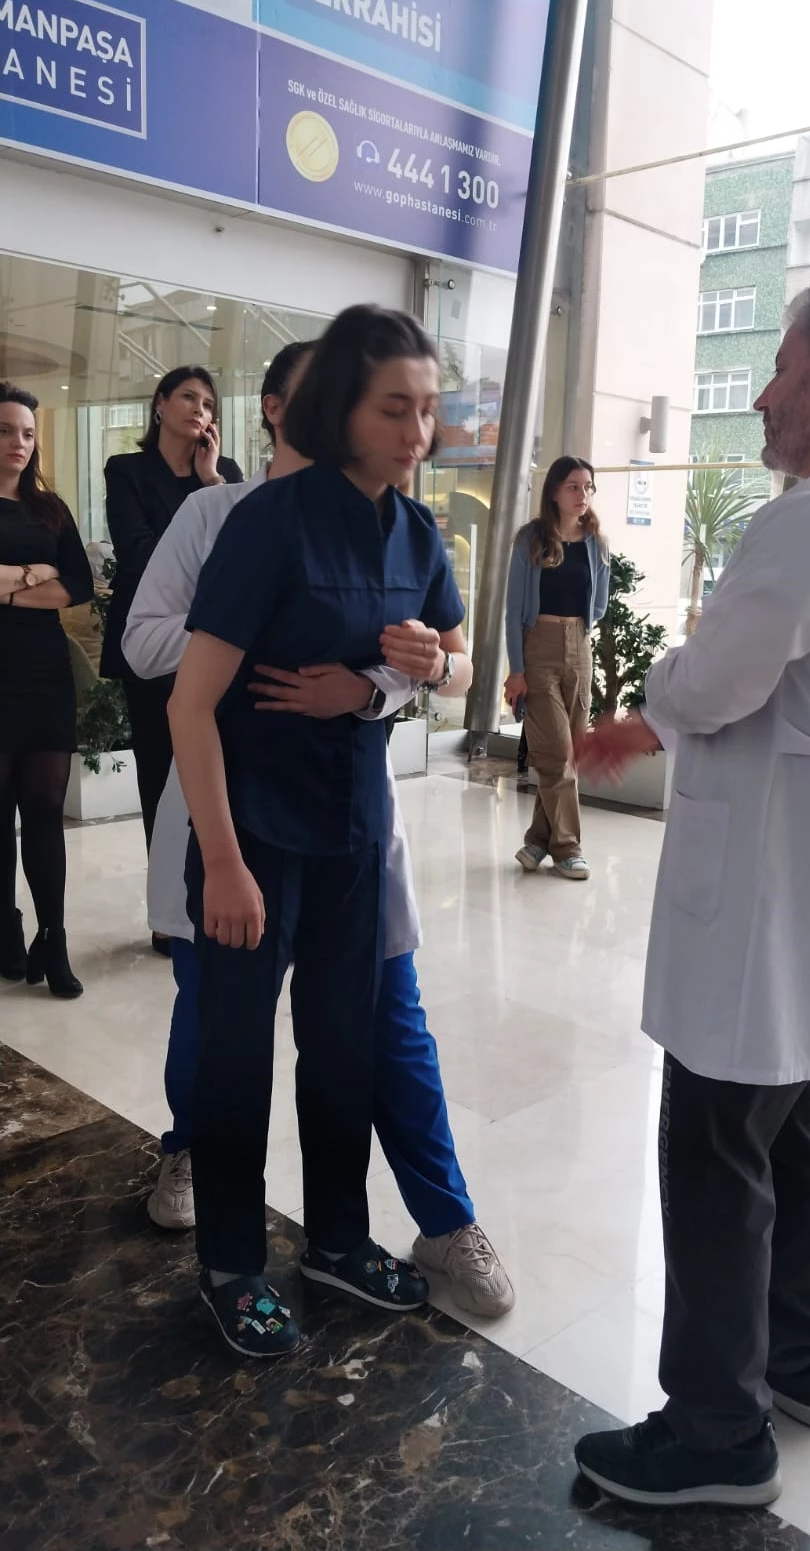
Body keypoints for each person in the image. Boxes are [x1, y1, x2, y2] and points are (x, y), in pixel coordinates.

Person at [572, 273, 810, 1509]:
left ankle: (717, 1431)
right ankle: (801, 1363)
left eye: (780, 365)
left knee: (717, 1137)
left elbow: (715, 682)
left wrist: (656, 689)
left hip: (769, 882)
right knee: (800, 1115)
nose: (763, 395)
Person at [123, 340, 513, 1324]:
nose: (407, 430)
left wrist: (391, 677)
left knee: (365, 1036)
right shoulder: (227, 517)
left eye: (417, 409)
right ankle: (224, 1242)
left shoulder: (404, 529)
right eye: (383, 406)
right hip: (242, 815)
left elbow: (447, 662)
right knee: (226, 1036)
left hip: (352, 822)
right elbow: (156, 658)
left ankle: (371, 1232)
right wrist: (247, 625)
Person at [100, 366, 242, 954]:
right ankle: (166, 909)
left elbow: (240, 556)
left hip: (214, 640)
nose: (198, 410)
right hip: (154, 639)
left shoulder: (224, 476)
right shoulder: (127, 471)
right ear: (160, 404)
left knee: (207, 774)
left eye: (207, 403)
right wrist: (195, 542)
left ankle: (210, 890)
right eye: (187, 397)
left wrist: (210, 482)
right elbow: (136, 552)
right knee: (159, 772)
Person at [0, 382, 94, 997]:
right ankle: (4, 927)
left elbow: (77, 586)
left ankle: (52, 938)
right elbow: (56, 582)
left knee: (43, 811)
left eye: (28, 433)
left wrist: (7, 586)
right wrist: (38, 574)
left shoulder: (50, 509)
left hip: (43, 674)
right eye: (7, 430)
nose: (19, 442)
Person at [504, 456, 609, 880]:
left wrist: (577, 635)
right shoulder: (531, 539)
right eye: (573, 486)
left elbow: (598, 605)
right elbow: (513, 611)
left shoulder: (596, 542)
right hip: (539, 648)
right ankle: (568, 847)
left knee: (566, 754)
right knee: (557, 753)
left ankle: (537, 839)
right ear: (554, 491)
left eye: (588, 487)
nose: (583, 495)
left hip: (580, 647)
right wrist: (516, 669)